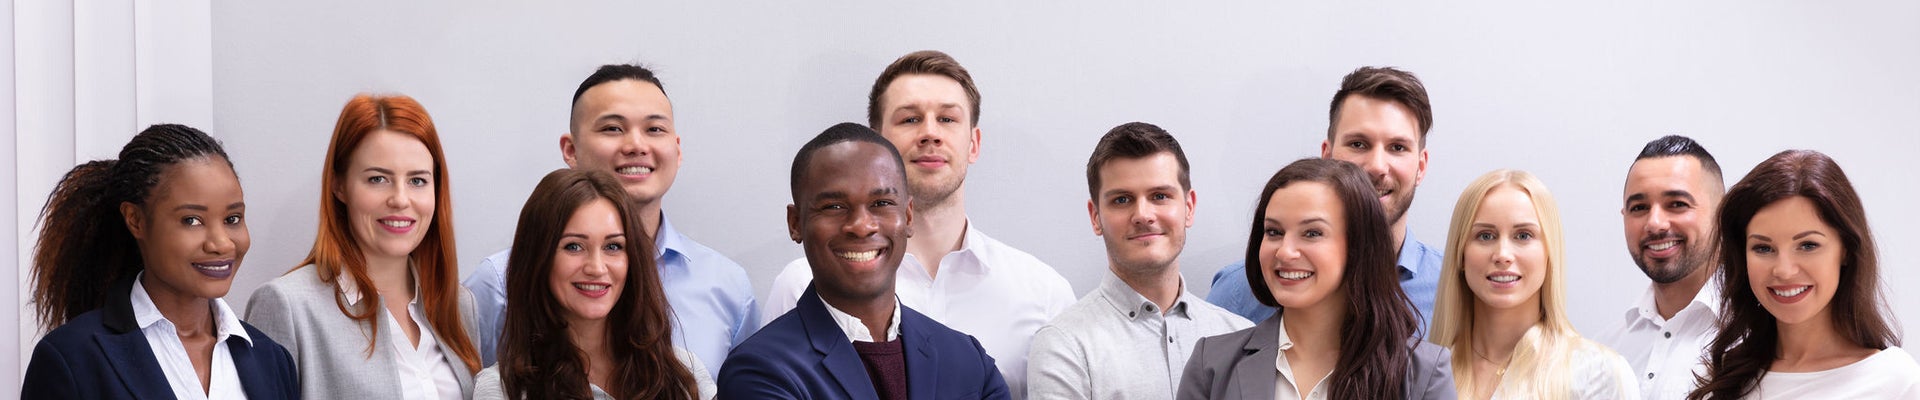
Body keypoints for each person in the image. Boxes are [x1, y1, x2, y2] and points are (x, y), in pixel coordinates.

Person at [763, 50, 1073, 397]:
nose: (930, 134)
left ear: (973, 143)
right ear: (874, 142)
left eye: (947, 119)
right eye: (909, 119)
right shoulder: (799, 283)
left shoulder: (1043, 292)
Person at [463, 64, 758, 376]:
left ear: (677, 149)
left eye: (654, 129)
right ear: (570, 150)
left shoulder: (727, 286)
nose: (636, 146)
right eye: (613, 129)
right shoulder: (499, 282)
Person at [719, 123, 1010, 399]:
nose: (861, 225)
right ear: (795, 223)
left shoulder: (968, 360)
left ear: (908, 216)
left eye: (881, 204)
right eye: (834, 206)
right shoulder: (759, 370)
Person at [21, 124, 297, 399]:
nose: (222, 243)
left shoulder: (271, 360)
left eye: (232, 219)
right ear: (136, 220)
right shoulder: (71, 359)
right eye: (192, 220)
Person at [246, 94, 483, 399]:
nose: (400, 199)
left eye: (418, 181)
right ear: (339, 185)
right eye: (377, 179)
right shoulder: (287, 306)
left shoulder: (458, 305)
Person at [1178, 158, 1454, 399]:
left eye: (1312, 233)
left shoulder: (1424, 374)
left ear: (1358, 245)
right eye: (1274, 232)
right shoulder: (1211, 365)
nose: (1285, 251)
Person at [1026, 122, 1251, 399]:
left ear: (1189, 208)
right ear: (1095, 216)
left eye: (1160, 196)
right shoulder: (1064, 346)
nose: (1143, 215)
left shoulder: (1240, 336)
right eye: (1122, 200)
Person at [1210, 67, 1443, 327]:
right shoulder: (1238, 292)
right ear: (1327, 155)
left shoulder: (1456, 292)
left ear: (1420, 167)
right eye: (1358, 144)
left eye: (1397, 148)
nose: (1377, 166)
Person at [1688, 150, 1918, 399]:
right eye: (1763, 248)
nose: (1784, 271)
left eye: (1808, 245)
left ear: (1846, 250)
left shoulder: (1895, 382)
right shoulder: (1720, 375)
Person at [473, 169, 713, 399]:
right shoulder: (502, 391)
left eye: (613, 246)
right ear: (538, 258)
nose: (597, 268)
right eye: (574, 246)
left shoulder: (685, 376)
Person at [1429, 169, 1637, 399]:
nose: (1503, 255)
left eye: (1523, 235)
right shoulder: (1424, 372)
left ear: (1549, 253)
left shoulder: (1598, 374)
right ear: (1460, 255)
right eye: (1485, 236)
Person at [1600, 135, 1726, 400]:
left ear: (1722, 213)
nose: (1655, 223)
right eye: (1639, 207)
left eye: (1677, 204)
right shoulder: (1605, 352)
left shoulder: (1761, 334)